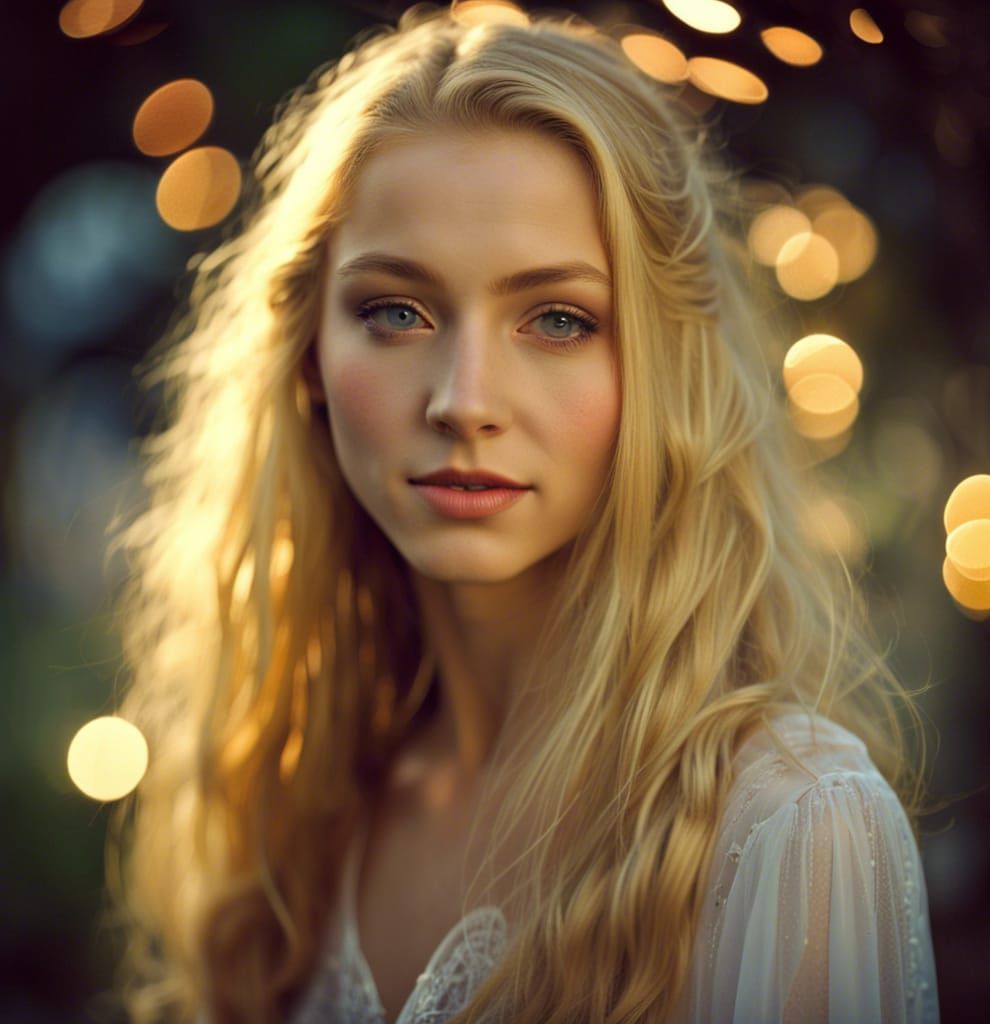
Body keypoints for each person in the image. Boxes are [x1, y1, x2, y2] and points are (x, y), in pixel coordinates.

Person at [101, 3, 943, 1022]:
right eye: (396, 311)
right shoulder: (290, 799)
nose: (464, 401)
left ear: (660, 367)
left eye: (557, 319)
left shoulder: (789, 828)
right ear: (308, 356)